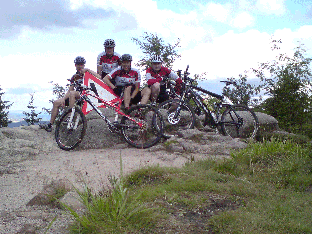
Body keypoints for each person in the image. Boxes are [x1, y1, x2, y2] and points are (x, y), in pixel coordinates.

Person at [39, 56, 101, 132]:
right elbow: (70, 89)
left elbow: (99, 78)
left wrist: (88, 70)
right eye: (78, 64)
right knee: (56, 103)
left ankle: (70, 118)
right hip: (76, 96)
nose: (80, 66)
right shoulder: (75, 77)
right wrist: (64, 99)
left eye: (81, 64)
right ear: (75, 65)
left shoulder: (88, 74)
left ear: (84, 65)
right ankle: (50, 125)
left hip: (86, 95)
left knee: (72, 93)